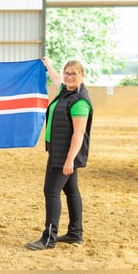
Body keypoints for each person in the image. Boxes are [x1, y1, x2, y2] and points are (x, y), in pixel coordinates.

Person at [25, 56, 93, 251]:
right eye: (67, 73)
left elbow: (79, 133)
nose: (69, 77)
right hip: (58, 151)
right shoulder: (66, 91)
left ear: (82, 75)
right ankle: (75, 233)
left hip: (64, 154)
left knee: (51, 191)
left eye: (74, 74)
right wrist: (49, 65)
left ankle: (49, 238)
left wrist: (70, 159)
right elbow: (57, 80)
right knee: (71, 191)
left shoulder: (80, 102)